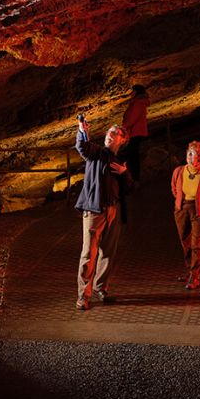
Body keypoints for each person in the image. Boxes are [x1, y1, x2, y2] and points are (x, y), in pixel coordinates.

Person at [73, 118, 132, 310]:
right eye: (108, 132)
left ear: (122, 140)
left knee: (108, 252)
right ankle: (83, 296)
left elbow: (129, 188)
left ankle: (101, 288)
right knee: (88, 253)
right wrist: (82, 130)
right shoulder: (97, 153)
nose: (109, 135)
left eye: (114, 133)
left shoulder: (120, 161)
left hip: (112, 210)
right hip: (94, 210)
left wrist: (124, 173)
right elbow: (83, 147)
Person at [170, 141, 200, 290]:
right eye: (190, 154)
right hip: (182, 208)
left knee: (196, 244)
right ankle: (189, 270)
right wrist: (180, 202)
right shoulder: (179, 171)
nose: (192, 159)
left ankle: (195, 276)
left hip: (199, 210)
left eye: (196, 157)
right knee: (184, 241)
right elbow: (175, 188)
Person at [120, 84, 149, 181]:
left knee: (132, 156)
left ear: (136, 92)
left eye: (132, 91)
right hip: (135, 132)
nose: (131, 93)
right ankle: (133, 178)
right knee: (132, 155)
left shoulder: (138, 103)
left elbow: (132, 119)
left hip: (134, 133)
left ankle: (134, 178)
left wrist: (122, 128)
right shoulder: (138, 103)